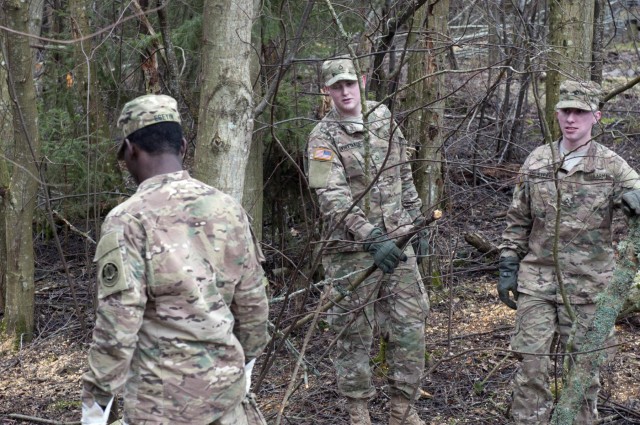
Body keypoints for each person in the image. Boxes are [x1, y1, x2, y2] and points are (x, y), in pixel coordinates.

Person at [80, 94, 269, 425]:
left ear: (130, 149)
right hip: (228, 404)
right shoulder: (228, 209)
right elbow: (253, 304)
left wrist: (95, 406)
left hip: (162, 409)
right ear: (182, 146)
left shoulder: (127, 220)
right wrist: (243, 369)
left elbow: (117, 325)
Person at [498, 79, 640, 424]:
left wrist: (635, 199)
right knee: (530, 366)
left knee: (583, 374)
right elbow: (518, 219)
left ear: (596, 117)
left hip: (590, 287)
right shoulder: (538, 161)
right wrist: (507, 263)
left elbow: (636, 190)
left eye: (580, 112)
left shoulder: (610, 166)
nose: (571, 119)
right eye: (566, 111)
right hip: (538, 281)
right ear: (557, 114)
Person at [305, 56, 430, 425]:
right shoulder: (322, 137)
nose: (345, 92)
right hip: (351, 253)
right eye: (335, 86)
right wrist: (370, 236)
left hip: (398, 240)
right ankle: (359, 412)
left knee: (411, 324)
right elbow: (331, 198)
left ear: (360, 81)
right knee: (353, 332)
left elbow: (403, 171)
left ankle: (402, 409)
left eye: (349, 83)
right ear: (326, 91)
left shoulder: (382, 115)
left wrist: (416, 222)